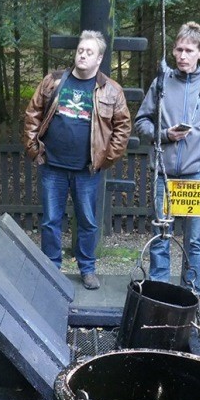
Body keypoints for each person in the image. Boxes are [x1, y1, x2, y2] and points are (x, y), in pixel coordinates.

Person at [134, 22, 200, 319]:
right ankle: (158, 293)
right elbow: (142, 122)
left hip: (196, 175)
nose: (182, 55)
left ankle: (192, 293)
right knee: (162, 234)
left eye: (189, 50)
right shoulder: (161, 82)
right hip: (164, 172)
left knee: (193, 240)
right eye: (178, 49)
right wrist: (164, 135)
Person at [22, 30, 132, 290]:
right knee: (50, 220)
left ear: (99, 58)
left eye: (89, 52)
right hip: (52, 166)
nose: (82, 55)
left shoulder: (111, 90)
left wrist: (106, 159)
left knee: (88, 221)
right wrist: (34, 150)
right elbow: (32, 114)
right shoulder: (54, 82)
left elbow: (123, 127)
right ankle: (51, 267)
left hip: (87, 170)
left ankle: (87, 268)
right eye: (80, 50)